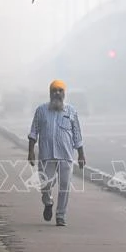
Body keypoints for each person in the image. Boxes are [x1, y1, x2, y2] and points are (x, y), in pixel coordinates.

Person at [27, 79, 85, 227]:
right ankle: (48, 202)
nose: (57, 93)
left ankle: (60, 215)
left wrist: (81, 154)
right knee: (46, 183)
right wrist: (31, 152)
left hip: (66, 155)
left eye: (60, 91)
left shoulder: (71, 111)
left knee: (64, 185)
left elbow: (77, 134)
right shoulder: (41, 110)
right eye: (54, 91)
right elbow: (34, 132)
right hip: (46, 154)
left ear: (64, 93)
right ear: (50, 93)